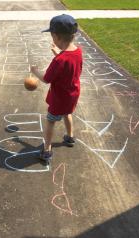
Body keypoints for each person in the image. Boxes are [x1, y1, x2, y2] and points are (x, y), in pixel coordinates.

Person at [30, 14, 83, 163]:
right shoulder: (78, 52)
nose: (52, 39)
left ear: (56, 37)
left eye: (52, 36)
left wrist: (35, 71)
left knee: (50, 121)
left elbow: (46, 79)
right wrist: (58, 53)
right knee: (68, 114)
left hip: (59, 98)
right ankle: (70, 137)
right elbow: (70, 62)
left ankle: (46, 149)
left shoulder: (59, 60)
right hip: (72, 94)